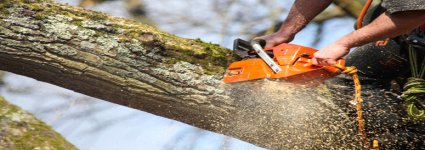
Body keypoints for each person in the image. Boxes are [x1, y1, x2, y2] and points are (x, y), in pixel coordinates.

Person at [257, 0, 425, 78]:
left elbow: (415, 11)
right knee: (370, 20)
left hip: (415, 24)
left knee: (351, 85)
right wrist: (284, 32)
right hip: (414, 31)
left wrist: (343, 43)